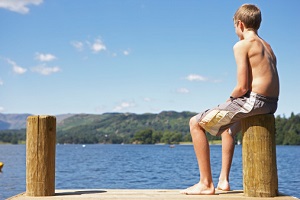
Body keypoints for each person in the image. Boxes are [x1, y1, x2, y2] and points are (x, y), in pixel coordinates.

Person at [180, 4, 279, 195]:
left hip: (254, 101)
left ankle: (205, 183)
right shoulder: (268, 46)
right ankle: (223, 180)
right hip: (270, 103)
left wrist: (228, 101)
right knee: (228, 131)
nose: (235, 32)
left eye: (234, 27)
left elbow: (242, 86)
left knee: (195, 123)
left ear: (240, 24)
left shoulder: (242, 45)